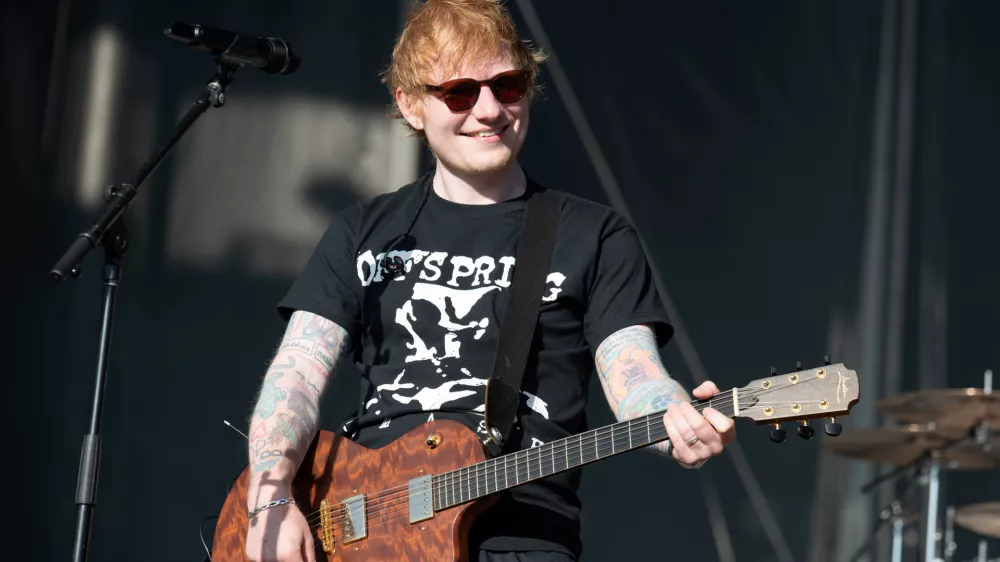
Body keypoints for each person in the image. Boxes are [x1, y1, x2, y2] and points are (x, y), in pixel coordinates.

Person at [243, 1, 736, 560]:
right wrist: (271, 498)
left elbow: (636, 374)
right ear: (410, 106)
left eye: (507, 85)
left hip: (523, 538)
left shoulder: (593, 235)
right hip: (365, 534)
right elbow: (297, 374)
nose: (489, 109)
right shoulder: (361, 232)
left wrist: (672, 414)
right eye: (459, 92)